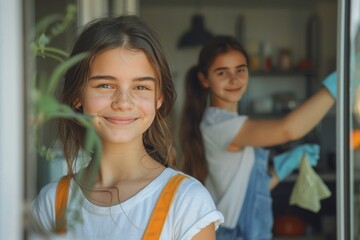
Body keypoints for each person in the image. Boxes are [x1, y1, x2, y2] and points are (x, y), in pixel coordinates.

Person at [30, 15, 224, 240]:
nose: (123, 102)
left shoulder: (187, 203)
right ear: (77, 96)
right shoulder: (51, 204)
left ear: (158, 98)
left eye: (141, 87)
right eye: (105, 85)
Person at [179, 35, 336, 240]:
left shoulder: (228, 122)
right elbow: (288, 130)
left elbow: (248, 190)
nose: (234, 79)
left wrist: (283, 166)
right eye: (222, 73)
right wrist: (338, 84)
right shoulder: (220, 125)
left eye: (240, 70)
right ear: (204, 79)